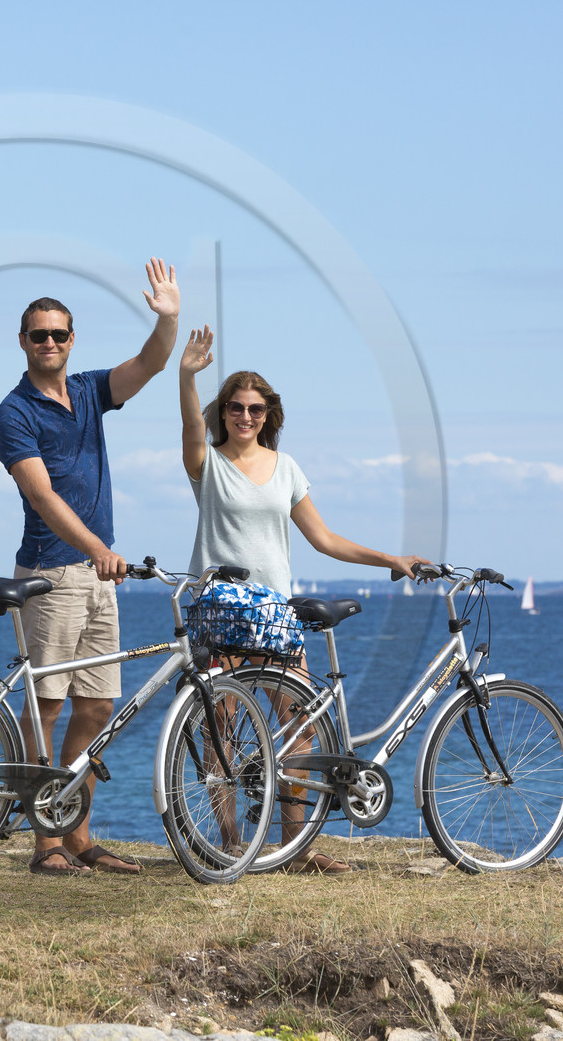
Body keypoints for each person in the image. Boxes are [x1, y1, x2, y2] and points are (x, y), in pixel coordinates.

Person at [178, 326, 430, 873]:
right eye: (237, 408)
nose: (246, 417)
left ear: (270, 415)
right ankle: (229, 846)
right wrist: (186, 377)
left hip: (275, 615)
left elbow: (324, 538)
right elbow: (189, 435)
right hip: (222, 609)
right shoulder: (208, 465)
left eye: (257, 409)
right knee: (220, 726)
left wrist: (391, 559)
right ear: (222, 411)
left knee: (299, 726)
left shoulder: (286, 467)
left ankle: (296, 850)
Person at [0, 258, 181, 877]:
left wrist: (168, 319)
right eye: (39, 335)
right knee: (45, 704)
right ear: (23, 342)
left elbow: (150, 364)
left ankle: (75, 832)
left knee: (97, 707)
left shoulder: (91, 391)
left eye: (60, 334)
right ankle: (42, 843)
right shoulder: (13, 412)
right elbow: (41, 495)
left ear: (73, 340)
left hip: (99, 576)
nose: (50, 343)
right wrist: (95, 547)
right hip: (51, 572)